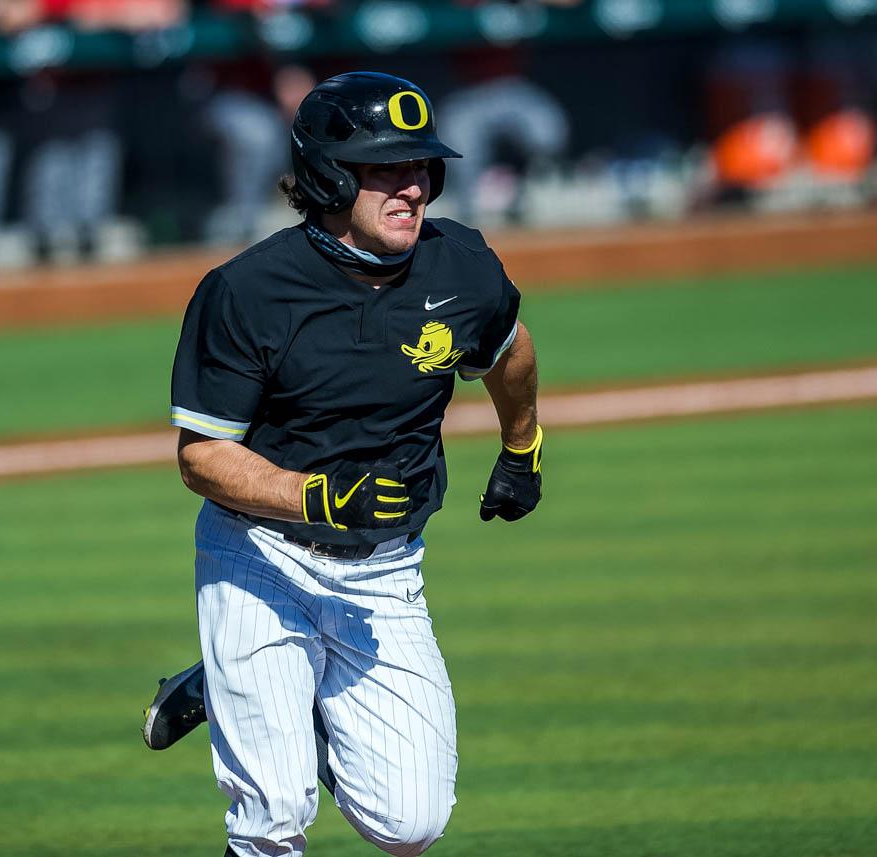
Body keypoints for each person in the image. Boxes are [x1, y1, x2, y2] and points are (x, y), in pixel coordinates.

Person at [146, 71, 544, 857]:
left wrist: (522, 448)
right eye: (386, 170)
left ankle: (243, 691)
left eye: (421, 168)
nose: (414, 188)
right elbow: (202, 458)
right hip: (259, 555)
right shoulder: (247, 293)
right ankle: (251, 685)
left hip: (385, 572)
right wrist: (317, 497)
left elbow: (509, 348)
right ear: (328, 175)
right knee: (273, 817)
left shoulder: (460, 265)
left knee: (410, 824)